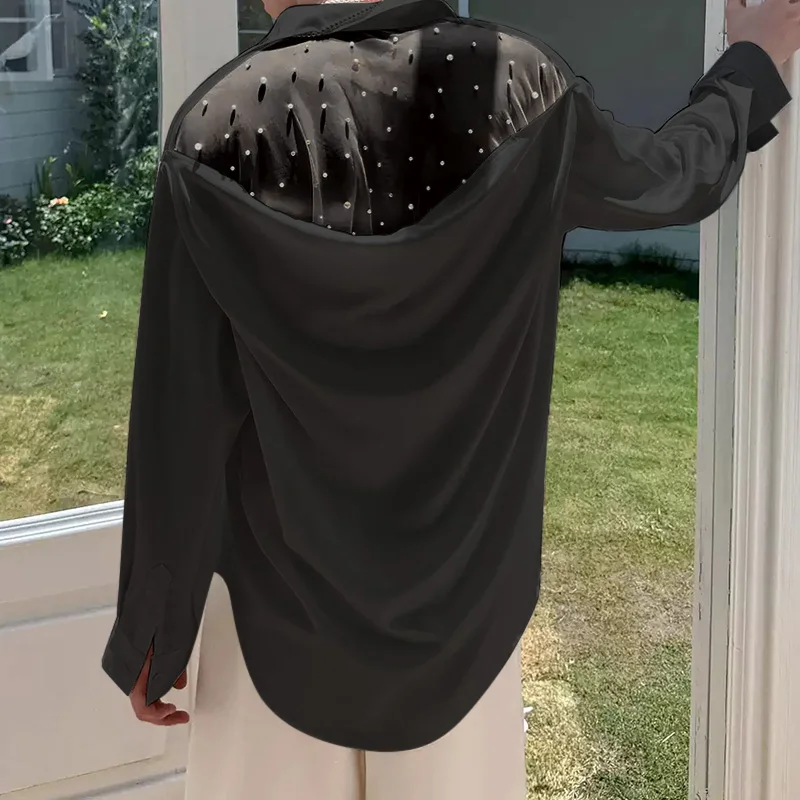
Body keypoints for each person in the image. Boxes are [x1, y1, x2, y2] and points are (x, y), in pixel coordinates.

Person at [101, 0, 798, 797]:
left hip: (271, 614)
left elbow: (180, 413)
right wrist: (752, 63)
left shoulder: (212, 130)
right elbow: (670, 179)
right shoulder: (522, 91)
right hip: (464, 618)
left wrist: (152, 627)